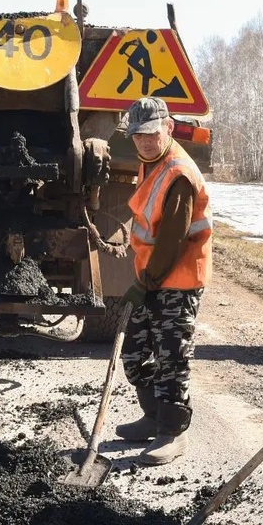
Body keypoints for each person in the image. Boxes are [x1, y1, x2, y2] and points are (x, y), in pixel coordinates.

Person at [112, 97, 212, 465]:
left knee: (173, 359)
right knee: (135, 351)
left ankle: (173, 433)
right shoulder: (151, 162)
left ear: (168, 127)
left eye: (152, 134)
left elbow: (172, 239)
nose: (145, 141)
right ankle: (153, 417)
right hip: (154, 277)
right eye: (138, 136)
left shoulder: (179, 173)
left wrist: (145, 283)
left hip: (179, 280)